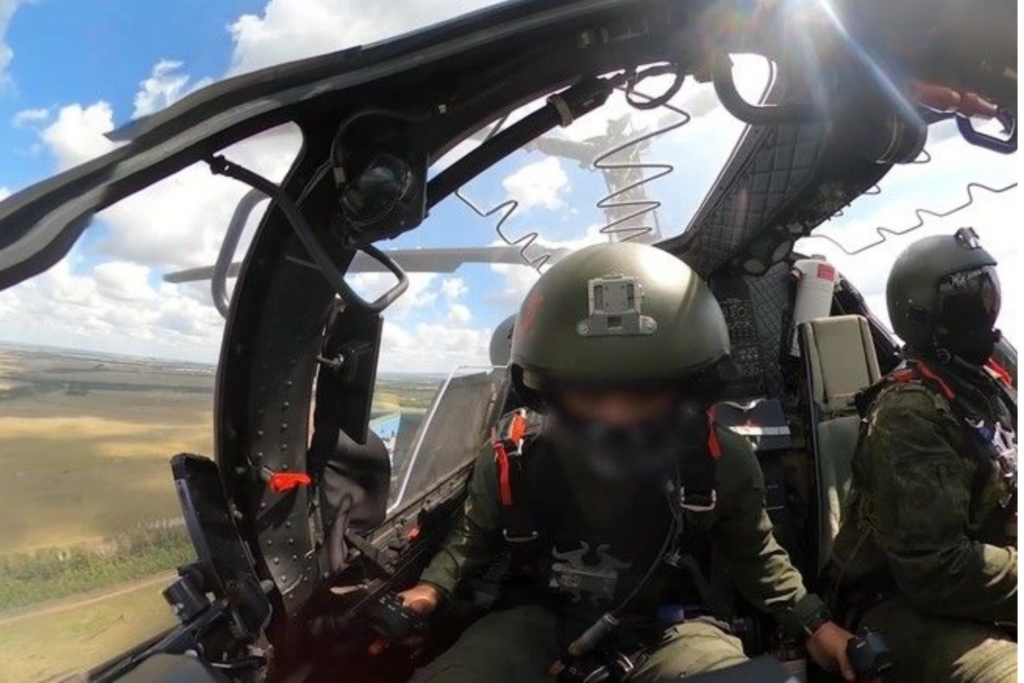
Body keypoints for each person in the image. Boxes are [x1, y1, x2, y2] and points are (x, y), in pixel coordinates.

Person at [397, 242, 856, 682]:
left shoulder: (718, 460)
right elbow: (470, 538)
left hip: (671, 629)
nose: (616, 413)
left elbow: (755, 555)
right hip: (539, 621)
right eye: (591, 391)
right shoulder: (513, 458)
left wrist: (814, 623)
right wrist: (431, 588)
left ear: (688, 386)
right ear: (547, 388)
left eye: (642, 390)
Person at [829, 228, 1017, 682]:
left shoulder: (982, 385)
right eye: (969, 303)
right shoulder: (909, 412)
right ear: (922, 314)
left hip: (983, 579)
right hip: (895, 603)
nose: (985, 312)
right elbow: (937, 570)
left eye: (987, 295)